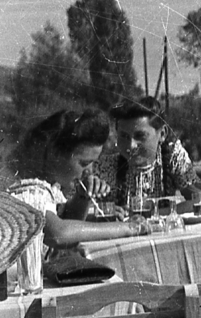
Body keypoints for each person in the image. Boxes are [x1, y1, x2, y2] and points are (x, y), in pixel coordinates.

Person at [7, 110, 154, 269]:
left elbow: (66, 223)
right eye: (84, 163)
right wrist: (128, 228)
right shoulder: (27, 188)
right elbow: (58, 234)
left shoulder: (49, 186)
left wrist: (82, 198)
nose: (90, 170)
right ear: (56, 153)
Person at [95, 96, 201, 208]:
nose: (131, 145)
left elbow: (199, 199)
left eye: (140, 136)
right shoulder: (106, 166)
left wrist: (152, 215)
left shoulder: (172, 155)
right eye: (124, 136)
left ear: (162, 134)